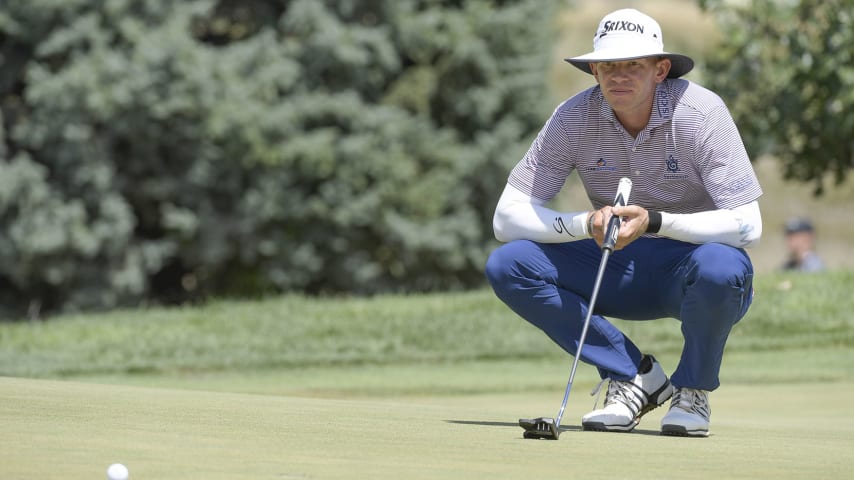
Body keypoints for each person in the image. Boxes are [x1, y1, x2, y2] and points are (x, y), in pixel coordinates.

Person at [484, 8, 763, 437]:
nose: (619, 75)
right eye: (608, 65)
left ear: (660, 69)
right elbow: (507, 217)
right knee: (510, 264)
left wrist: (655, 221)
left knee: (722, 267)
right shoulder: (573, 117)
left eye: (634, 64)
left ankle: (692, 391)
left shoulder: (702, 112)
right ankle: (634, 375)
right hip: (615, 263)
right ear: (594, 70)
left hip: (692, 270)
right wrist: (584, 224)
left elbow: (749, 224)